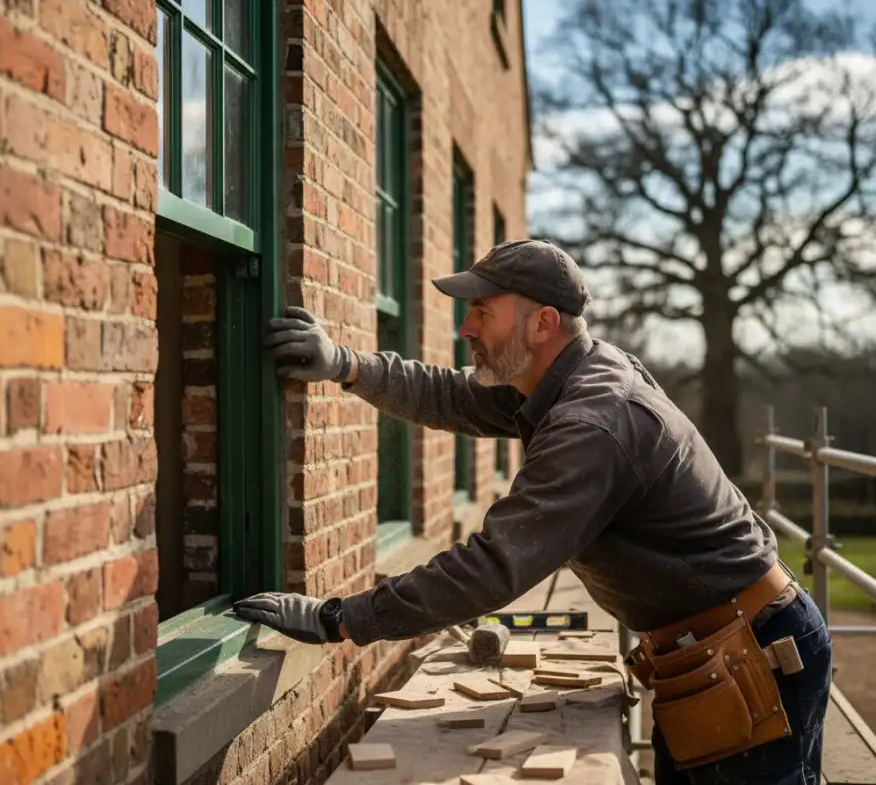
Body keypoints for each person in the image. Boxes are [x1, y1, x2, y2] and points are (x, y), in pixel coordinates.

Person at [234, 238, 832, 785]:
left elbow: (495, 566)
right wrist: (345, 364)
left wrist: (341, 618)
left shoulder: (592, 422)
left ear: (543, 322)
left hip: (752, 653)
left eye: (484, 311)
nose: (466, 326)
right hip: (703, 651)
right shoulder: (565, 378)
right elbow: (453, 395)